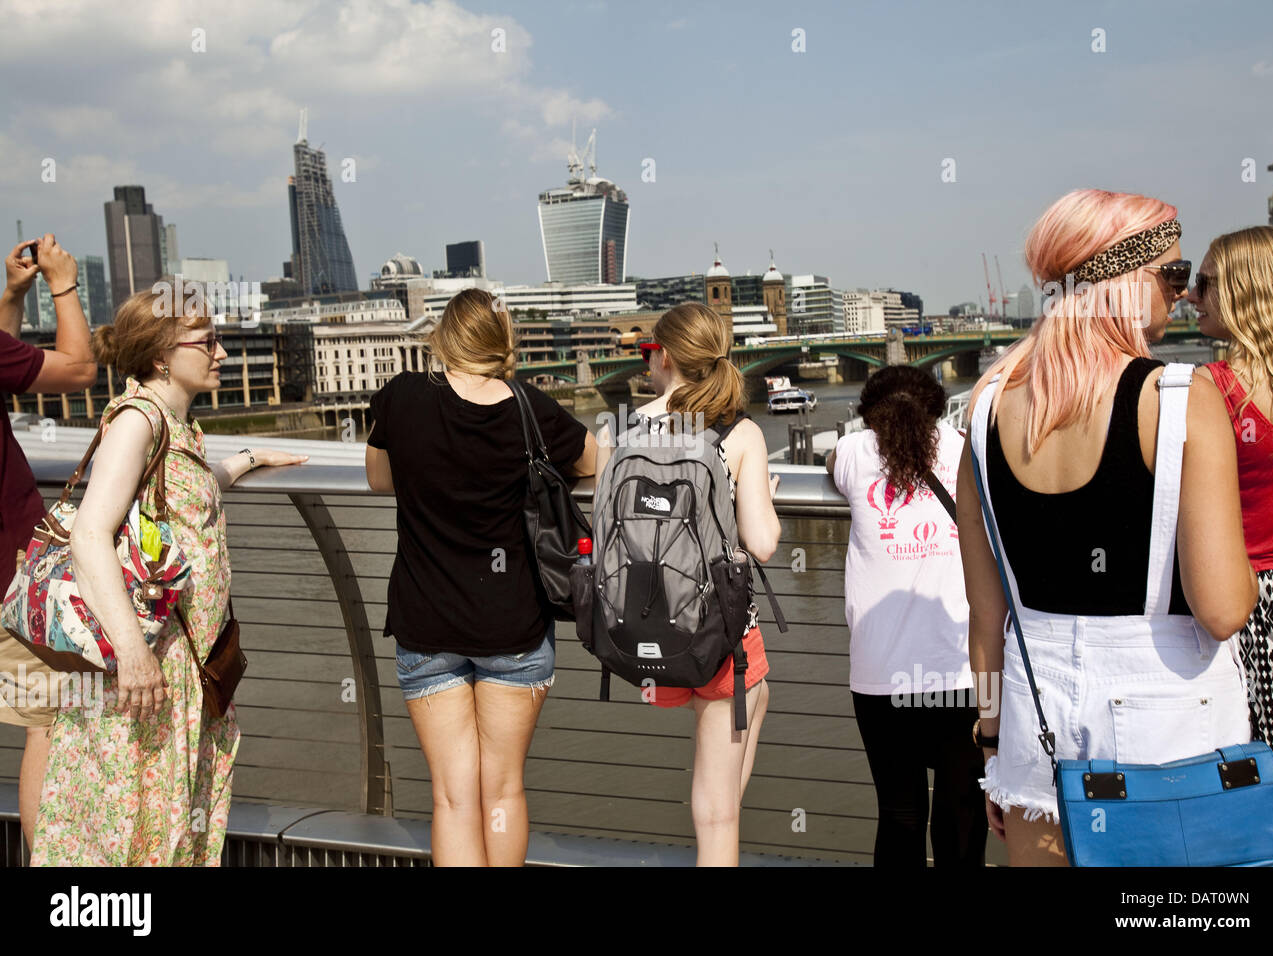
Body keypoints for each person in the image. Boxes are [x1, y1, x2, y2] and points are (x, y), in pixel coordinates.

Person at [956, 188, 1257, 866]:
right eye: (1173, 276)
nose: (1181, 295)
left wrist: (993, 743)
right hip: (1168, 736)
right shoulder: (1181, 399)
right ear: (1124, 279)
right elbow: (1223, 608)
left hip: (1038, 736)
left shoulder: (986, 410)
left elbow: (985, 616)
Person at [29, 282, 308, 866]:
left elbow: (179, 500)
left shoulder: (174, 426)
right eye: (208, 341)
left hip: (182, 668)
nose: (223, 353)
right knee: (131, 825)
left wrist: (247, 461)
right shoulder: (138, 421)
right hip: (148, 666)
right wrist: (132, 653)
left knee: (169, 820)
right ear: (161, 353)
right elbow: (89, 534)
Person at [365, 288, 596, 866]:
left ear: (444, 338)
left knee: (451, 798)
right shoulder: (527, 408)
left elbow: (377, 478)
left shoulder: (401, 397)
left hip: (426, 627)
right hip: (513, 629)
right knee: (502, 790)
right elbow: (596, 462)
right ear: (503, 343)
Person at [593, 303, 781, 867]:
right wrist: (760, 492)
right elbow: (764, 543)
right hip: (720, 639)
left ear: (667, 356)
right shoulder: (738, 432)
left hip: (644, 632)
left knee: (740, 730)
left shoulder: (621, 430)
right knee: (718, 813)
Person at [827, 365, 986, 866]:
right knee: (962, 811)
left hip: (880, 675)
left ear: (870, 414)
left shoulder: (855, 451)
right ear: (938, 408)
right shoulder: (966, 449)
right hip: (963, 670)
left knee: (898, 812)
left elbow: (833, 457)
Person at [1192, 225, 1273, 850]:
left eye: (1205, 283)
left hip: (1253, 608)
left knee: (1261, 781)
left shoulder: (1215, 390)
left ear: (1245, 292)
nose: (1191, 296)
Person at [0, 235, 96, 849]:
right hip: (14, 576)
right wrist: (62, 283)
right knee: (51, 724)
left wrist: (12, 295)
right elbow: (81, 369)